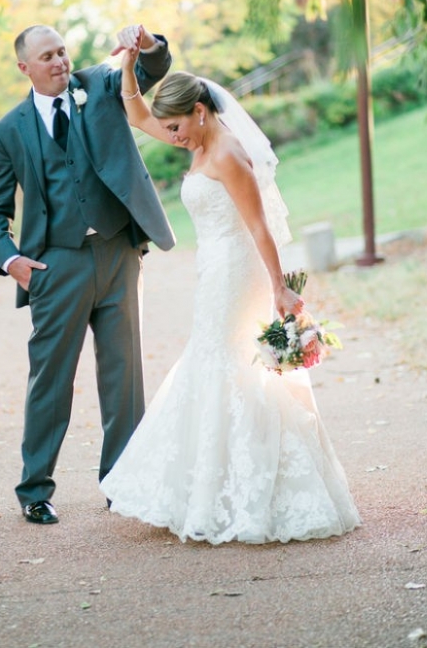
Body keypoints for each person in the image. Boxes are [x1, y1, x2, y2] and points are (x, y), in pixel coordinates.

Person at [100, 41, 361, 544]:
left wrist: (280, 290)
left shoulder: (228, 154)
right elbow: (136, 114)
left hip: (234, 271)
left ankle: (251, 488)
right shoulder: (198, 143)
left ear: (198, 112)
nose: (170, 137)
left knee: (226, 363)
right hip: (212, 267)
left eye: (175, 127)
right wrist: (129, 64)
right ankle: (214, 484)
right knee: (217, 361)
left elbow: (260, 229)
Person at [0, 23, 175, 525]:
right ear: (25, 67)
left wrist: (146, 44)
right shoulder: (9, 130)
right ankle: (35, 490)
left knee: (123, 375)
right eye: (47, 56)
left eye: (62, 51)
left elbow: (152, 70)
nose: (60, 62)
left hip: (116, 253)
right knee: (51, 379)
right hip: (56, 265)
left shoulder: (101, 84)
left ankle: (123, 482)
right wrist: (11, 259)